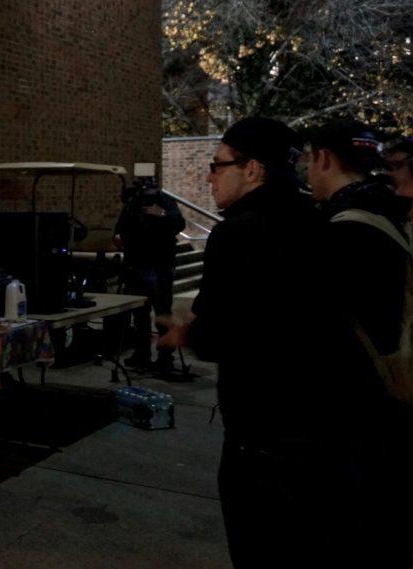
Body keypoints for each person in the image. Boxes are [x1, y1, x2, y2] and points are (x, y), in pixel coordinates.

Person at [158, 117, 350, 567]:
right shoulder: (319, 221)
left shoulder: (239, 231)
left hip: (263, 438)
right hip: (324, 433)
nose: (208, 175)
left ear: (253, 170)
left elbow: (224, 330)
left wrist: (185, 333)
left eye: (217, 164)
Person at [305, 118, 412, 567]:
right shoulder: (393, 218)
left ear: (324, 159)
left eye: (307, 161)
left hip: (354, 418)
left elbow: (314, 334)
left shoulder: (340, 233)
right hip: (393, 400)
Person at [113, 173, 185, 372]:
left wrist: (160, 213)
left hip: (160, 264)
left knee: (162, 314)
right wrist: (119, 238)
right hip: (137, 264)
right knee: (140, 314)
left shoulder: (165, 202)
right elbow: (120, 229)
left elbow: (179, 223)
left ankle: (164, 358)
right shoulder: (133, 204)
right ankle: (141, 354)